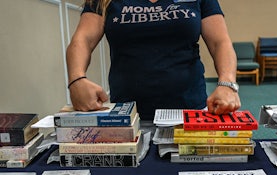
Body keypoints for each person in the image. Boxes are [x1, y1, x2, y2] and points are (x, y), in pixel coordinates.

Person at [66, 0, 241, 121]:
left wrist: (228, 83)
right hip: (128, 114)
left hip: (189, 110)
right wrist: (76, 79)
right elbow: (83, 39)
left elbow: (220, 42)